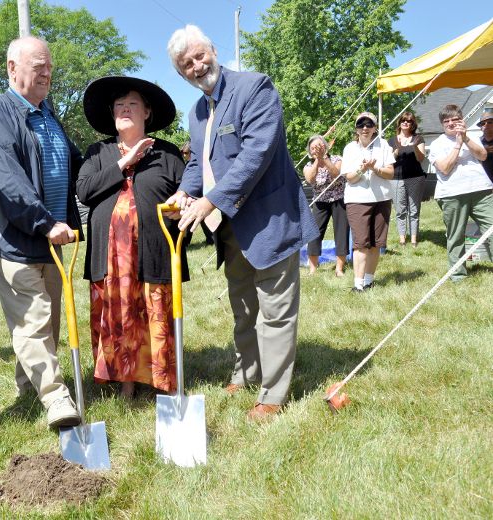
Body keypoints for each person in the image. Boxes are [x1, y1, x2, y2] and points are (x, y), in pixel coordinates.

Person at [164, 25, 319, 421]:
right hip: (229, 226)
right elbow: (200, 162)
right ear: (182, 74)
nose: (198, 66)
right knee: (243, 305)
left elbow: (257, 153)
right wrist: (185, 191)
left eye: (200, 56)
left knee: (275, 308)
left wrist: (210, 199)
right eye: (187, 64)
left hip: (270, 220)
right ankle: (246, 372)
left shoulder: (255, 88)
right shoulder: (197, 112)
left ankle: (273, 394)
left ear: (214, 51)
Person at [0, 36, 84, 427]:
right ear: (12, 68)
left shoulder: (47, 113)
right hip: (16, 238)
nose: (47, 72)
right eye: (39, 65)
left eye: (49, 66)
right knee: (33, 320)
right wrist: (44, 222)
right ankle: (56, 399)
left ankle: (28, 388)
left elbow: (72, 162)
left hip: (52, 238)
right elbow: (8, 179)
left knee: (47, 321)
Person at [77, 76, 186, 398]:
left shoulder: (166, 153)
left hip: (153, 252)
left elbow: (187, 190)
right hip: (109, 258)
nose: (124, 109)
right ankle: (123, 381)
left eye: (132, 104)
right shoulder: (98, 152)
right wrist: (126, 161)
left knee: (154, 310)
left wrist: (183, 201)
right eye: (119, 105)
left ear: (147, 112)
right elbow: (84, 191)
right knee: (119, 311)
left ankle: (161, 379)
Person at [428, 104, 493, 281]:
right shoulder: (437, 144)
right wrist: (457, 144)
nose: (451, 124)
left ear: (462, 121)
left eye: (455, 120)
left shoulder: (471, 137)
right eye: (447, 121)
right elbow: (445, 168)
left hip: (482, 189)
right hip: (452, 194)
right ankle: (458, 275)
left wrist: (465, 139)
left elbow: (482, 156)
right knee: (456, 235)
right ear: (442, 124)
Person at [339, 112, 395, 292]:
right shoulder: (350, 149)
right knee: (361, 243)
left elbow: (390, 173)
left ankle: (369, 281)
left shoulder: (383, 145)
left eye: (369, 124)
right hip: (357, 200)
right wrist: (363, 169)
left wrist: (375, 168)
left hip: (382, 199)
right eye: (361, 124)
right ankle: (358, 284)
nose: (365, 128)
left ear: (375, 128)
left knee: (376, 243)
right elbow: (349, 177)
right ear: (356, 129)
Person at [303, 134, 348, 276]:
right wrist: (318, 160)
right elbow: (310, 179)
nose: (317, 149)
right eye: (313, 148)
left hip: (338, 199)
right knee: (314, 234)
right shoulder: (308, 166)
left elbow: (337, 175)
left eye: (320, 146)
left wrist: (325, 159)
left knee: (341, 233)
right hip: (320, 202)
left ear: (326, 147)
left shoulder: (337, 159)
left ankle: (339, 268)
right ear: (310, 151)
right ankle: (313, 268)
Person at [388, 112, 426, 247]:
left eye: (409, 121)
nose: (406, 123)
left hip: (415, 177)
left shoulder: (418, 139)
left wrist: (414, 146)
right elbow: (388, 161)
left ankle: (414, 239)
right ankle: (402, 239)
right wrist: (397, 149)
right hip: (396, 179)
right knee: (400, 210)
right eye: (403, 120)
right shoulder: (392, 141)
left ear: (412, 124)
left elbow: (421, 158)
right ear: (399, 123)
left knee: (414, 209)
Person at [181, 141, 215, 245]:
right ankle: (186, 242)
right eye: (183, 153)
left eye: (186, 153)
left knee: (205, 218)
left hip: (203, 195)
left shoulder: (201, 163)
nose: (184, 155)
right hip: (193, 197)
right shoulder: (188, 165)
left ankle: (211, 239)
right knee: (190, 219)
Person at [477, 106, 493, 182]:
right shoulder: (477, 143)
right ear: (480, 127)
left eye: (490, 122)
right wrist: (483, 151)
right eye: (483, 123)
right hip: (486, 184)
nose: (486, 125)